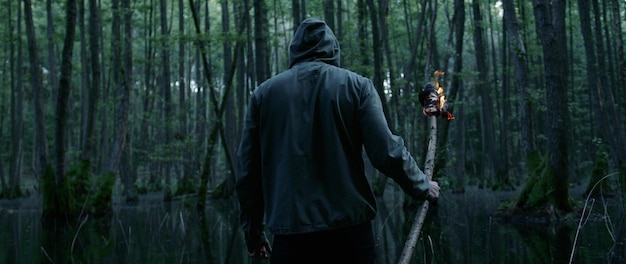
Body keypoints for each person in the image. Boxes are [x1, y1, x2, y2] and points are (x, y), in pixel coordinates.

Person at [235, 18, 440, 264]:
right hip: (350, 236)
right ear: (333, 49)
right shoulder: (358, 86)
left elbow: (247, 173)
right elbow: (386, 150)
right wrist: (422, 185)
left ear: (295, 51)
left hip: (292, 239)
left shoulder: (263, 95)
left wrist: (253, 233)